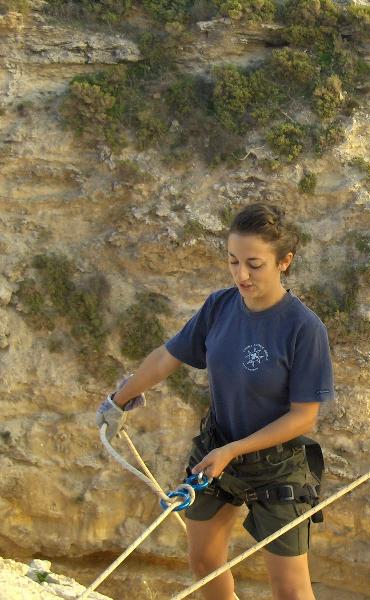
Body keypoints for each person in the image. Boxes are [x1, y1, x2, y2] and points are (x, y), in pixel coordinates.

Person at [96, 203, 334, 600]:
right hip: (216, 449)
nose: (241, 275)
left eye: (254, 264)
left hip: (277, 466)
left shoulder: (304, 328)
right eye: (233, 261)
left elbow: (303, 418)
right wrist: (118, 401)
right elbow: (166, 357)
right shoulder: (219, 307)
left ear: (284, 262)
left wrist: (233, 451)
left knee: (291, 590)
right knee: (204, 561)